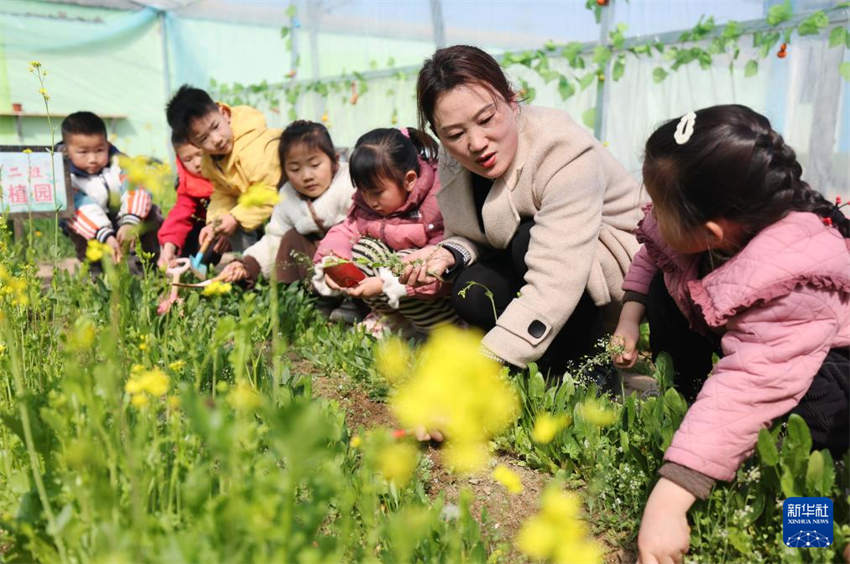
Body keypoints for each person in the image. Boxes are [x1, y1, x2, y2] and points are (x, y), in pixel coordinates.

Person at [609, 105, 850, 564]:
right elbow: (656, 250)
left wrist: (672, 496)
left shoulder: (793, 279)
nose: (651, 214)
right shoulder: (705, 223)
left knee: (812, 429)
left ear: (712, 232)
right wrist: (629, 315)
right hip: (752, 333)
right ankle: (689, 414)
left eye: (660, 205)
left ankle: (807, 536)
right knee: (667, 283)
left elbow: (750, 385)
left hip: (830, 364)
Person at [404, 44, 642, 370]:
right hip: (538, 259)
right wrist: (449, 253)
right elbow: (473, 232)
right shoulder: (453, 157)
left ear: (512, 100)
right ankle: (539, 364)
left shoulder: (561, 148)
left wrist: (488, 361)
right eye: (456, 134)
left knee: (526, 240)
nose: (475, 143)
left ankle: (588, 366)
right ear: (439, 135)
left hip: (613, 262)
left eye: (486, 118)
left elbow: (557, 273)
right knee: (470, 290)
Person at [313, 127, 458, 334]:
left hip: (435, 301)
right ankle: (390, 318)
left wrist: (384, 283)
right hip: (393, 290)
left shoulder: (436, 203)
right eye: (363, 191)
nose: (370, 201)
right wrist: (332, 261)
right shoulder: (366, 204)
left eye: (377, 192)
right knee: (364, 249)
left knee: (410, 261)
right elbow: (345, 231)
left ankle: (437, 330)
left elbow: (439, 264)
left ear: (409, 180)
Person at [216, 120, 356, 316]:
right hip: (318, 271)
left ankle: (355, 303)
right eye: (295, 169)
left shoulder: (349, 181)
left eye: (315, 164)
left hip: (355, 262)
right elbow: (274, 238)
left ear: (334, 160)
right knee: (291, 238)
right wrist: (246, 265)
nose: (307, 176)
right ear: (284, 171)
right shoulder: (288, 196)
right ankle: (311, 300)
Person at [165, 85, 281, 253]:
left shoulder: (254, 146)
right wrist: (215, 223)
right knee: (229, 225)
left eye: (215, 126)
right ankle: (252, 269)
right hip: (261, 213)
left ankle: (261, 268)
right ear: (194, 144)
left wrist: (235, 217)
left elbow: (269, 192)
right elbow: (223, 193)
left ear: (224, 113)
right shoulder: (211, 160)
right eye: (204, 138)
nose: (216, 139)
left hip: (291, 204)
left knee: (238, 221)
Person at [60, 111, 161, 272]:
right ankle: (95, 268)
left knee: (152, 211)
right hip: (89, 227)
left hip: (122, 218)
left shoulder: (119, 163)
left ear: (107, 144)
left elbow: (136, 187)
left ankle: (148, 264)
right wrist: (105, 234)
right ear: (66, 151)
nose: (92, 159)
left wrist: (130, 222)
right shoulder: (66, 176)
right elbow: (81, 207)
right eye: (83, 152)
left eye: (99, 150)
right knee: (72, 217)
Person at [157, 132, 219, 269]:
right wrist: (169, 245)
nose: (197, 164)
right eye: (188, 159)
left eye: (200, 154)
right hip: (205, 229)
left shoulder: (227, 172)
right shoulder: (189, 183)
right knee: (187, 242)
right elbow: (180, 215)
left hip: (230, 228)